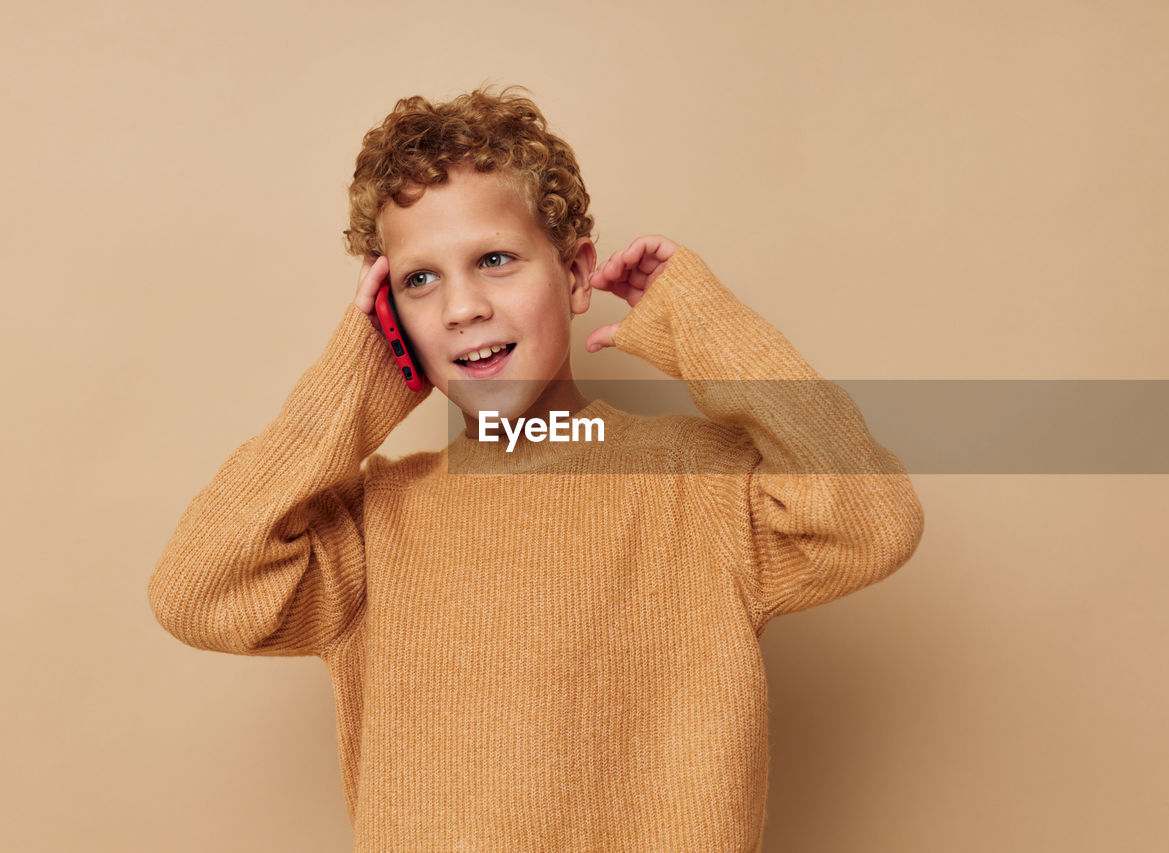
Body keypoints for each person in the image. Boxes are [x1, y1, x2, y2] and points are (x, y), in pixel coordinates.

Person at [147, 84, 925, 852]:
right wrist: (352, 383)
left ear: (578, 275)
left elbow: (874, 519)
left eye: (494, 259)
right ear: (392, 320)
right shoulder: (376, 522)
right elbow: (195, 590)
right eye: (421, 280)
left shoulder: (700, 486)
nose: (462, 308)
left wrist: (708, 328)